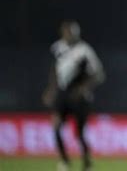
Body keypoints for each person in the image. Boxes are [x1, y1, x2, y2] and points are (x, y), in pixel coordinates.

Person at [42, 21, 105, 171]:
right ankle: (64, 161)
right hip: (62, 94)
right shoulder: (58, 48)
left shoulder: (84, 50)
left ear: (76, 33)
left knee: (79, 132)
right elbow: (54, 69)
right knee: (56, 126)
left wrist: (84, 87)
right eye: (65, 32)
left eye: (70, 32)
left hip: (79, 97)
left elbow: (98, 74)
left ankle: (87, 163)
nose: (67, 35)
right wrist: (51, 89)